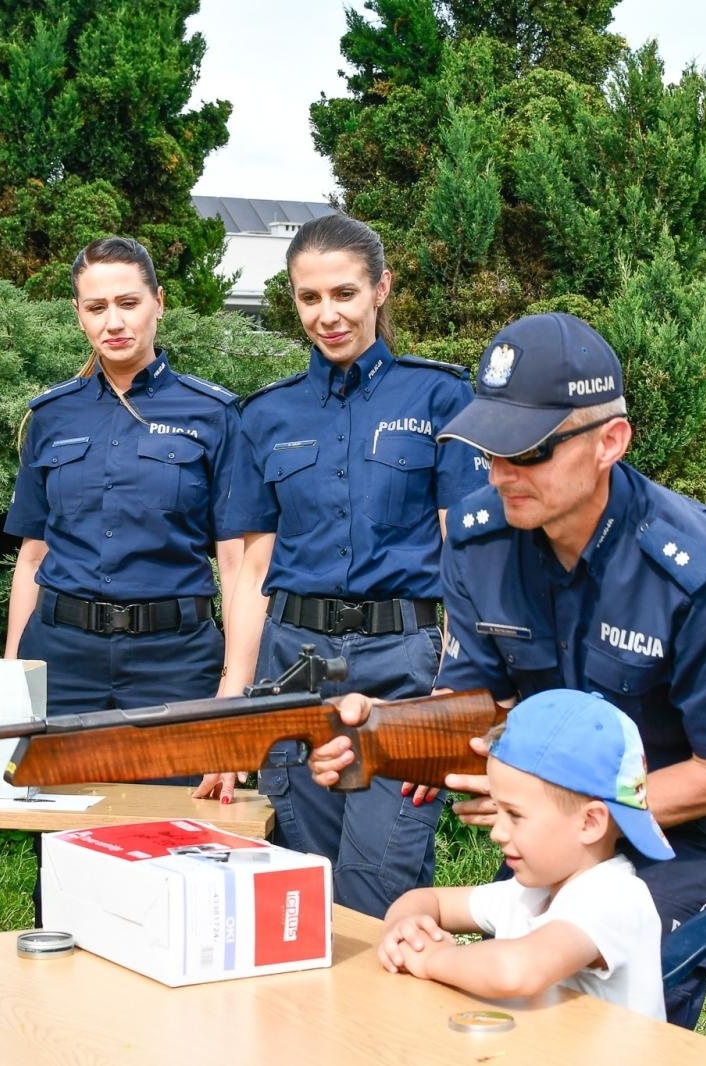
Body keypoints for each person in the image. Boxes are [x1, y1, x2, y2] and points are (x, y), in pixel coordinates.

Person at [312, 311, 706, 1027]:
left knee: (619, 999)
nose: (500, 475)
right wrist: (378, 736)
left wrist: (566, 815)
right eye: (488, 450)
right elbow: (474, 702)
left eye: (527, 453)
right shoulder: (478, 539)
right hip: (555, 818)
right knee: (504, 1000)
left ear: (609, 442)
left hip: (679, 825)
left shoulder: (701, 572)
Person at [215, 213, 484, 918]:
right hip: (292, 669)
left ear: (380, 290)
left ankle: (389, 1021)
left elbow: (469, 556)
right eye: (309, 298)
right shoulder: (264, 415)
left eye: (344, 294)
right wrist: (231, 702)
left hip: (405, 666)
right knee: (303, 880)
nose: (327, 315)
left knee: (377, 882)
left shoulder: (440, 397)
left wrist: (454, 691)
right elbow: (252, 570)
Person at [3, 236, 242, 742]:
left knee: (175, 818)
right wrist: (9, 676)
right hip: (61, 659)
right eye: (97, 307)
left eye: (128, 303)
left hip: (175, 661)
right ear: (79, 314)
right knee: (60, 815)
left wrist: (233, 683)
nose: (113, 322)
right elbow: (31, 556)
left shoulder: (214, 415)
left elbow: (236, 563)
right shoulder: (50, 416)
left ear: (159, 302)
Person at [378, 689, 671, 1020]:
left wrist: (432, 959)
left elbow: (516, 971)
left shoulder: (616, 898)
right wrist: (404, 929)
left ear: (590, 822)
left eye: (514, 816)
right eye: (497, 810)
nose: (497, 832)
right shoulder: (527, 893)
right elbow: (429, 900)